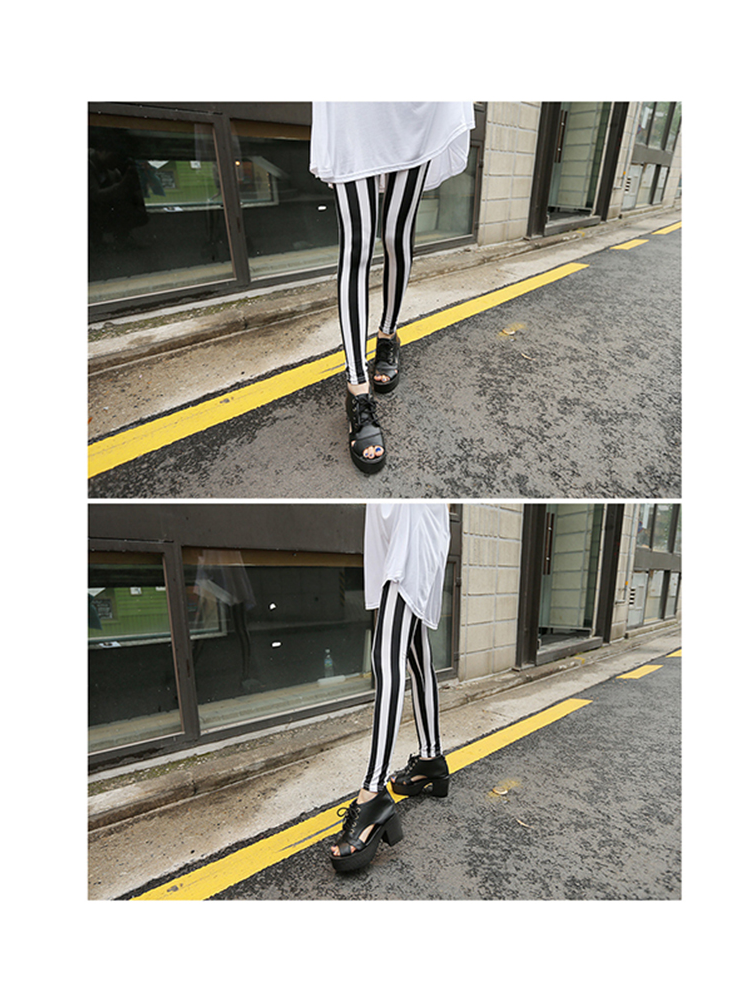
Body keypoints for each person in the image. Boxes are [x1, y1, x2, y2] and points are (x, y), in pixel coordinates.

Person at [310, 103, 474, 474]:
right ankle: (357, 388)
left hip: (412, 106)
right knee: (357, 245)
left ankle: (388, 335)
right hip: (354, 106)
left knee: (396, 236)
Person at [330, 502, 452, 872]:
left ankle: (373, 794)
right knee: (416, 655)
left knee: (386, 658)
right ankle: (431, 759)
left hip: (410, 533)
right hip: (404, 531)